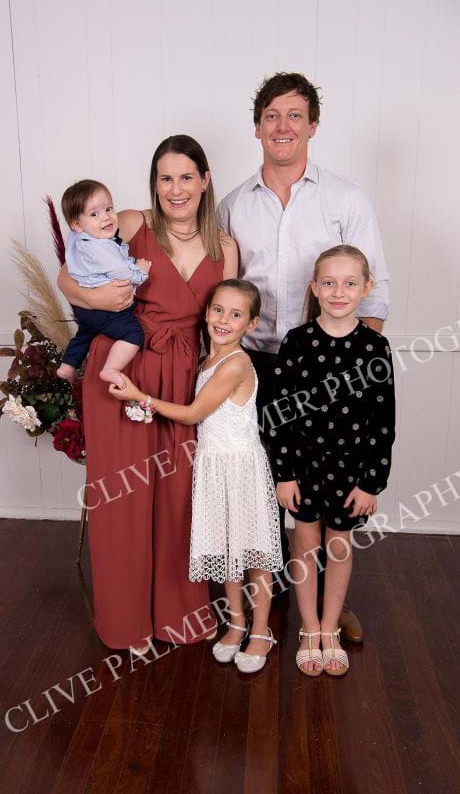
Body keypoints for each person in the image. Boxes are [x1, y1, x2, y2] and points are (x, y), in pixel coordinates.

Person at [217, 71, 390, 643]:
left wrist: (354, 370)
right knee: (266, 479)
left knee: (330, 478)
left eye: (295, 115)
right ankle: (269, 594)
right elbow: (221, 287)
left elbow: (375, 292)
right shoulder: (233, 205)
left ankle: (330, 605)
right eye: (272, 116)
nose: (283, 126)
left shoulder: (346, 198)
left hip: (329, 365)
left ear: (313, 125)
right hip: (255, 361)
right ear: (257, 128)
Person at [57, 135, 238, 652]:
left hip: (182, 378)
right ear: (154, 185)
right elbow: (67, 276)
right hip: (121, 371)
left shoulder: (225, 247)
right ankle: (127, 621)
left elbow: (226, 327)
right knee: (124, 498)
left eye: (186, 177)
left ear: (205, 181)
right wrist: (97, 298)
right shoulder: (133, 224)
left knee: (180, 496)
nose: (176, 189)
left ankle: (179, 614)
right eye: (165, 178)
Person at [110, 279, 283, 673]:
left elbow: (192, 414)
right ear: (206, 313)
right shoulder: (207, 359)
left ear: (251, 324)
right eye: (218, 310)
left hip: (239, 467)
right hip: (212, 466)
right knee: (227, 551)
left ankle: (261, 630)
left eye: (236, 315)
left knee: (253, 552)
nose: (223, 320)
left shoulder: (236, 363)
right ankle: (236, 624)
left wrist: (140, 396)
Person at [271, 245, 395, 675]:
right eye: (329, 282)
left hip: (351, 470)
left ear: (366, 288)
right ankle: (309, 629)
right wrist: (284, 474)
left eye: (349, 283)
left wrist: (371, 482)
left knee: (339, 547)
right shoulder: (296, 342)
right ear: (314, 287)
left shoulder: (375, 347)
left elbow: (383, 422)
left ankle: (330, 628)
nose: (338, 292)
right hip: (304, 468)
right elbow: (279, 415)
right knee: (305, 544)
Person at [56, 179, 151, 387]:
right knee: (133, 334)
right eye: (94, 214)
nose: (106, 217)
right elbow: (124, 274)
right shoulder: (101, 248)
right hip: (106, 309)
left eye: (109, 209)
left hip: (85, 309)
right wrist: (141, 271)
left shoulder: (79, 239)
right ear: (77, 224)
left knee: (85, 333)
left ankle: (67, 366)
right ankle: (111, 368)